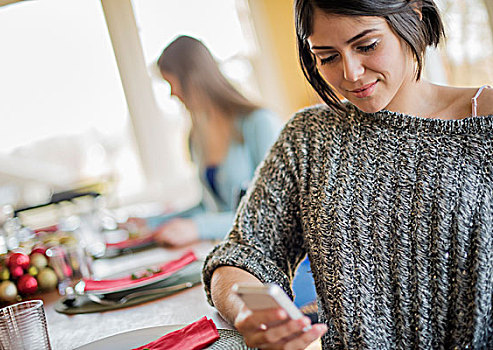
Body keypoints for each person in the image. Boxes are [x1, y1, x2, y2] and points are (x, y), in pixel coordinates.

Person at [202, 0, 493, 349]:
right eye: (327, 57)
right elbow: (241, 254)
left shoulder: (485, 124)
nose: (351, 73)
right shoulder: (307, 137)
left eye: (366, 45)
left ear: (413, 17)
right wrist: (254, 313)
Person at [138, 35, 281, 247]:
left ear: (193, 78)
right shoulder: (196, 136)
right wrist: (151, 223)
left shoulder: (259, 123)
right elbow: (208, 208)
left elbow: (273, 213)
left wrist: (198, 227)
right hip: (231, 253)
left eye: (172, 83)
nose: (172, 94)